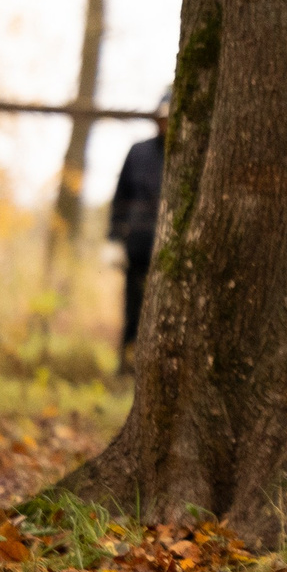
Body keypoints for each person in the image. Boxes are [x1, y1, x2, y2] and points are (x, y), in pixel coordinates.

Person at [107, 97, 166, 373]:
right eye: (161, 117)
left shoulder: (188, 153)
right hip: (139, 246)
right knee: (133, 309)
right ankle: (126, 365)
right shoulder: (139, 152)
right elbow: (121, 197)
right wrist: (114, 238)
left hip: (169, 250)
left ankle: (152, 368)